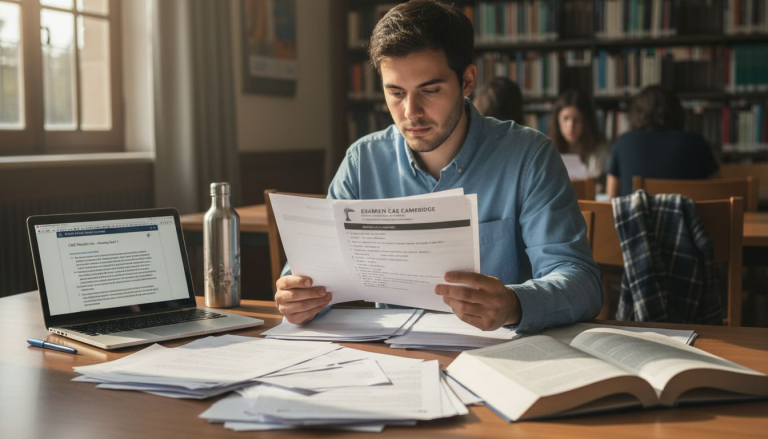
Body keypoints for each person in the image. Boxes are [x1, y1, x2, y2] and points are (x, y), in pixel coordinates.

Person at [274, 0, 602, 334]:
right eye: (395, 92)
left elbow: (582, 284)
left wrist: (514, 305)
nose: (411, 112)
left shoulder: (529, 157)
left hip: (499, 357)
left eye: (430, 90)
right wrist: (297, 297)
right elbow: (307, 274)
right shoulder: (363, 162)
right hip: (392, 361)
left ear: (468, 80)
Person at [607, 85, 719, 198]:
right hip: (685, 215)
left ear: (636, 112)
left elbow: (611, 197)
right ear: (677, 111)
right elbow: (717, 191)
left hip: (636, 215)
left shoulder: (623, 142)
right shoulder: (696, 143)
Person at [547, 90, 610, 184]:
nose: (570, 125)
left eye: (576, 119)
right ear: (557, 121)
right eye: (565, 118)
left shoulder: (600, 150)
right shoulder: (548, 149)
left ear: (586, 122)